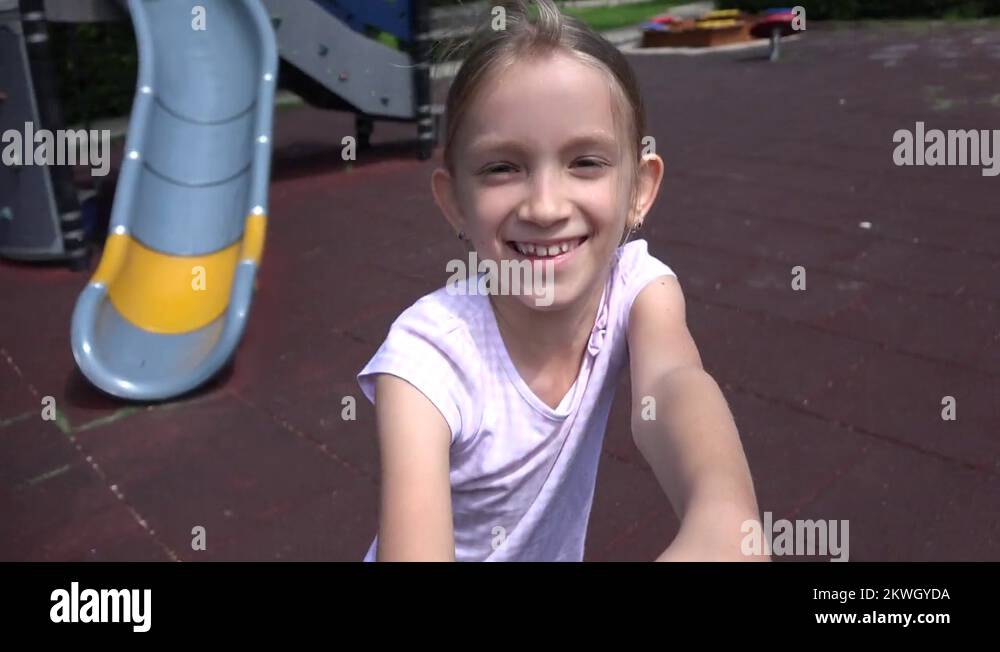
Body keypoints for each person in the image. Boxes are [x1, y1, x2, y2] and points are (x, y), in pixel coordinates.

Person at [356, 0, 764, 561]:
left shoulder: (637, 289)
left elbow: (673, 383)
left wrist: (723, 513)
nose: (546, 207)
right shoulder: (427, 360)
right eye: (503, 166)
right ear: (455, 204)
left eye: (586, 162)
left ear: (639, 191)